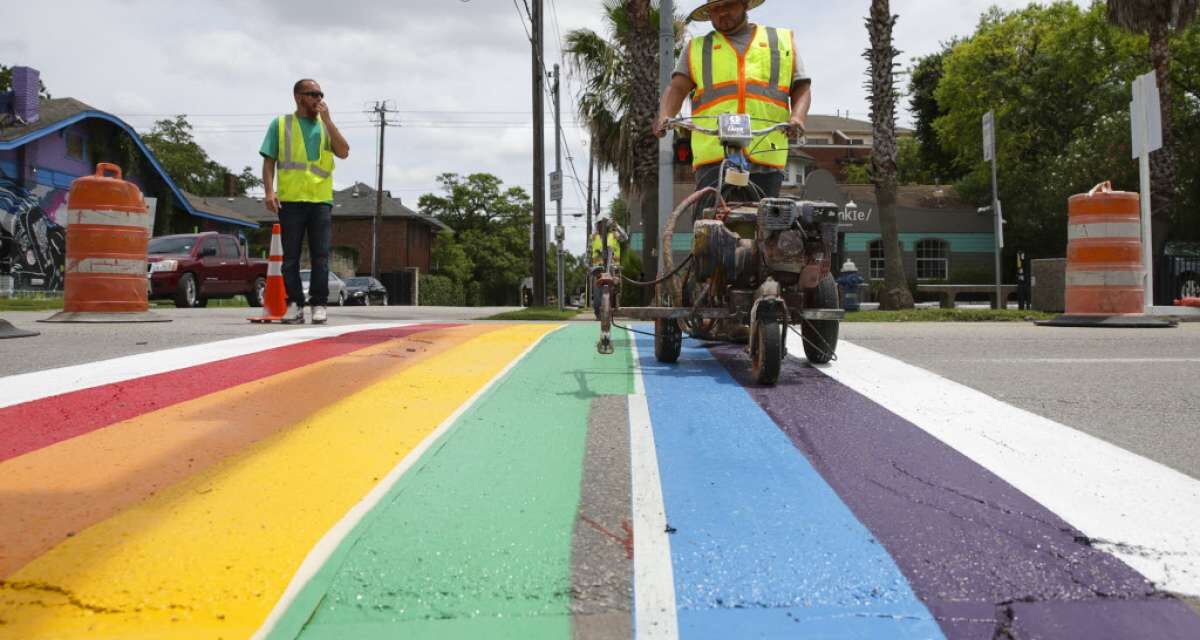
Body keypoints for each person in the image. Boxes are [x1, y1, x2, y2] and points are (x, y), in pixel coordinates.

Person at [653, 0, 811, 210]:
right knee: (708, 226)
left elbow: (801, 87)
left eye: (728, 5)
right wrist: (665, 115)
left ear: (744, 4)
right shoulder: (696, 48)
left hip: (766, 153)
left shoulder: (779, 41)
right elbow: (676, 88)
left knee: (766, 226)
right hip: (714, 156)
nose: (722, 13)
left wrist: (797, 118)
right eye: (715, 9)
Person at [260, 79, 350, 324]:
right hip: (290, 201)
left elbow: (343, 152)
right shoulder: (281, 125)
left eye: (321, 94)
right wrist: (269, 192)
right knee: (290, 257)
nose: (319, 99)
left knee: (321, 256)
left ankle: (318, 304)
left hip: (321, 200)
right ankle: (295, 304)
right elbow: (269, 162)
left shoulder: (325, 126)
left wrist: (329, 121)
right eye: (313, 94)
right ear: (299, 97)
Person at [590, 219, 627, 318]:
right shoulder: (595, 237)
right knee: (598, 294)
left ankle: (613, 311)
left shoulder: (614, 234)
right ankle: (598, 314)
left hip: (612, 268)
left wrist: (617, 226)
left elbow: (625, 237)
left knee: (613, 291)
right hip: (599, 269)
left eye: (604, 223)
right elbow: (590, 251)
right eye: (600, 223)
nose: (602, 226)